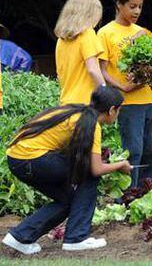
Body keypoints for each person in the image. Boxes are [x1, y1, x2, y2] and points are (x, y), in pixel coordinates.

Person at [2, 86, 132, 254]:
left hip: (16, 159)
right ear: (112, 110)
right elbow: (96, 169)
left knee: (67, 200)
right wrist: (120, 165)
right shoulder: (92, 124)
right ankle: (77, 238)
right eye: (119, 110)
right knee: (88, 175)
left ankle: (20, 237)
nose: (118, 114)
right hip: (31, 158)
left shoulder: (75, 112)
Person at [98, 0, 152, 189]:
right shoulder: (106, 33)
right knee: (134, 150)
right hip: (127, 102)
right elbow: (103, 70)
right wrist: (121, 87)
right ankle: (129, 194)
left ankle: (148, 195)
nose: (137, 11)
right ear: (119, 5)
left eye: (140, 7)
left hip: (150, 99)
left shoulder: (143, 32)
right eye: (132, 6)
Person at [54, 0, 106, 105]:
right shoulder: (87, 34)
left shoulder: (61, 40)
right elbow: (92, 69)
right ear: (90, 14)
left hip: (66, 102)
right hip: (85, 103)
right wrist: (105, 91)